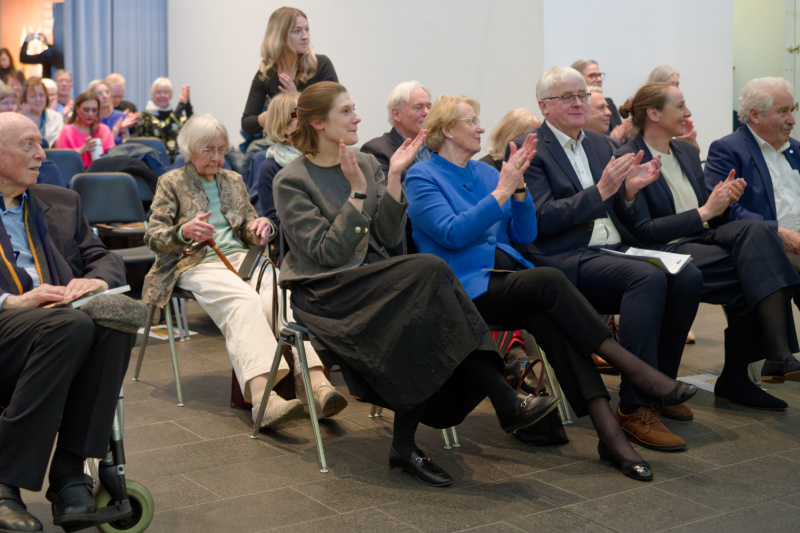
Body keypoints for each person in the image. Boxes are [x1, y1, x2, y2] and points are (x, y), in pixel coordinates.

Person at [274, 81, 559, 487]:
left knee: (427, 305)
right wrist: (358, 194)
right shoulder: (292, 180)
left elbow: (388, 237)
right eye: (346, 111)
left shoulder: (368, 163)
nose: (357, 117)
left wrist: (392, 178)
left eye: (354, 109)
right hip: (327, 291)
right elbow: (328, 253)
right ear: (318, 123)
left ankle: (411, 442)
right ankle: (502, 395)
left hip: (373, 279)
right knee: (429, 271)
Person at [405, 94, 697, 481]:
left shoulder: (486, 173)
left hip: (507, 280)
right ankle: (637, 371)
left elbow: (526, 233)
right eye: (471, 121)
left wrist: (519, 190)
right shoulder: (422, 176)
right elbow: (452, 234)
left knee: (558, 327)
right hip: (461, 290)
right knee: (549, 279)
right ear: (446, 130)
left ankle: (612, 438)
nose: (480, 128)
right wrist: (502, 191)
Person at [510, 66, 704, 452]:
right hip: (564, 256)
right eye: (567, 97)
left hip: (612, 248)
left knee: (688, 275)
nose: (578, 103)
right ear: (544, 106)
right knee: (646, 278)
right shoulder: (528, 148)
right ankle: (634, 407)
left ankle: (660, 386)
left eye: (582, 95)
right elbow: (540, 220)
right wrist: (600, 191)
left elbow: (622, 213)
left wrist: (629, 193)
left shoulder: (600, 145)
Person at [142, 113, 347, 427]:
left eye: (222, 150)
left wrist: (260, 227)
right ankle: (263, 399)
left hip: (242, 259)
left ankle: (316, 383)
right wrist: (184, 231)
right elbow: (153, 237)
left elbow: (249, 228)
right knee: (244, 301)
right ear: (191, 150)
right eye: (209, 150)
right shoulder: (171, 182)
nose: (217, 158)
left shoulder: (233, 180)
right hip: (196, 261)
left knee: (281, 294)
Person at [616, 82, 800, 400]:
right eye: (680, 106)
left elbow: (709, 212)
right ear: (654, 114)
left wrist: (724, 198)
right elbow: (643, 231)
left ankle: (765, 363)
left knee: (758, 235)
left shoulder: (686, 151)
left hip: (699, 239)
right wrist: (706, 210)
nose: (688, 113)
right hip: (663, 248)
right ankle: (760, 365)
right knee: (762, 269)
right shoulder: (628, 157)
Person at [0, 113, 134, 532]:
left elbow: (102, 257)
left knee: (117, 316)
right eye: (28, 144)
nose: (42, 154)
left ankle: (69, 472)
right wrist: (12, 301)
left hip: (61, 325)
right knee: (71, 327)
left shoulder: (61, 201)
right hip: (8, 324)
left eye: (41, 143)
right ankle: (4, 480)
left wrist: (96, 281)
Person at [705, 77, 800, 313]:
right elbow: (724, 211)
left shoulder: (796, 150)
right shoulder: (728, 149)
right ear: (755, 115)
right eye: (783, 111)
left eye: (792, 110)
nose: (792, 120)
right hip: (766, 245)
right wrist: (779, 232)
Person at [241, 6, 338, 137]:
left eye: (306, 29)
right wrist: (266, 117)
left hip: (318, 141)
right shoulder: (266, 74)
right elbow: (247, 124)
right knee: (260, 151)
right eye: (297, 31)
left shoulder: (320, 64)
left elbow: (337, 111)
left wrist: (296, 100)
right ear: (280, 36)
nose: (305, 36)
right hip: (285, 143)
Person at [361, 81, 433, 179]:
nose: (427, 112)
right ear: (396, 114)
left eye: (429, 107)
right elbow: (386, 188)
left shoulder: (438, 146)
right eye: (418, 107)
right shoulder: (376, 151)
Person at [256, 92, 301, 225]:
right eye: (300, 114)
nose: (310, 119)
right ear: (285, 127)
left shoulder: (320, 157)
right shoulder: (270, 168)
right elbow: (274, 222)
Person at [135, 77, 192, 161]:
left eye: (166, 92)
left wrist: (187, 103)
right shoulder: (145, 116)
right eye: (158, 92)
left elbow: (193, 126)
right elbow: (162, 131)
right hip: (154, 162)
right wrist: (181, 105)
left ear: (170, 95)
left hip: (178, 161)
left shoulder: (177, 115)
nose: (162, 95)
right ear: (152, 95)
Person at [571, 59, 629, 141]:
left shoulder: (609, 102)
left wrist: (622, 138)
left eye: (599, 75)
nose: (599, 79)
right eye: (592, 75)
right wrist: (612, 140)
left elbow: (621, 137)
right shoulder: (573, 106)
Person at [55, 91, 115, 168]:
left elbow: (112, 156)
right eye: (86, 110)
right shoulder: (67, 130)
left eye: (94, 110)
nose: (90, 114)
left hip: (101, 171)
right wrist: (80, 151)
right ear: (77, 109)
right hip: (74, 172)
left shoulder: (104, 130)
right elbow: (60, 160)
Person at [88, 79, 138, 145]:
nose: (105, 96)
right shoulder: (89, 119)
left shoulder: (121, 116)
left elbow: (127, 146)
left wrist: (124, 130)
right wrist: (114, 132)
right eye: (99, 94)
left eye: (107, 92)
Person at [19, 77, 63, 147]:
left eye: (41, 95)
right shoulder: (18, 119)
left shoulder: (56, 117)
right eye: (33, 96)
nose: (38, 99)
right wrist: (24, 119)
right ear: (25, 98)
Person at [583, 85, 619, 150]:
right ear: (582, 111)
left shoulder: (615, 144)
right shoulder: (575, 149)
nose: (609, 112)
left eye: (607, 107)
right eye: (601, 107)